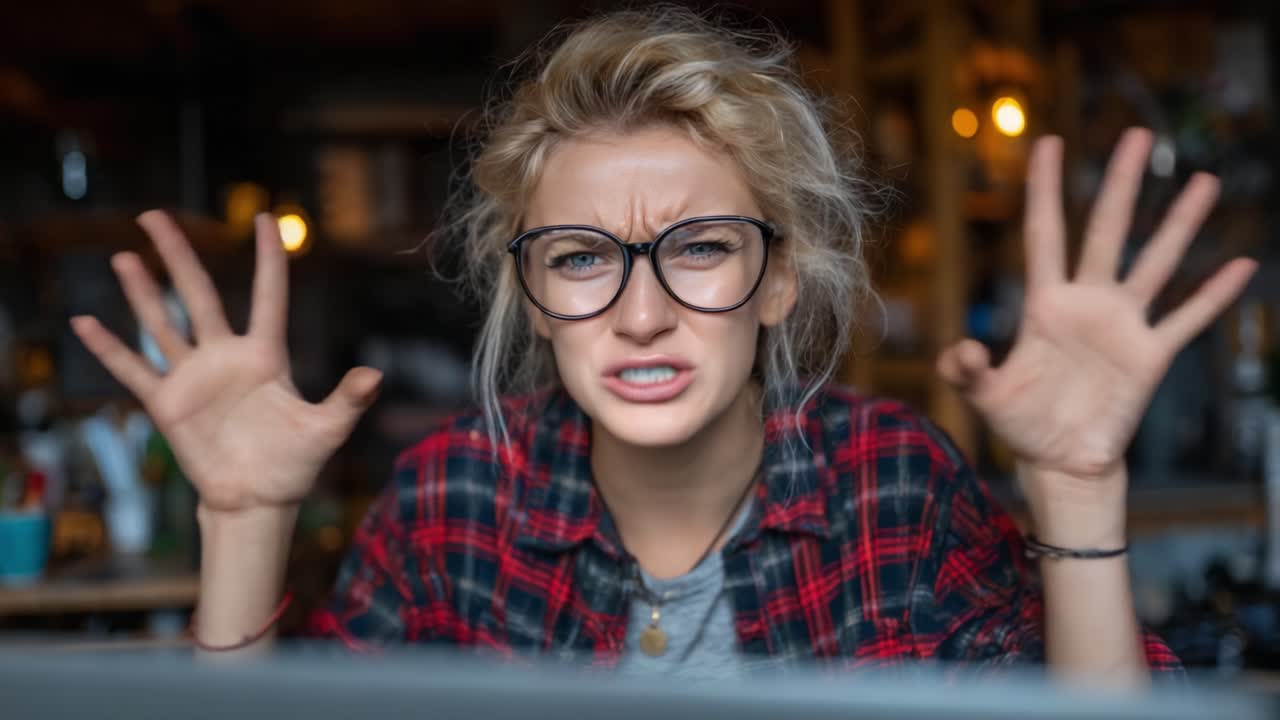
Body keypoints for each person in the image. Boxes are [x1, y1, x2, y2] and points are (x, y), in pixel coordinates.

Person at [71, 8, 1255, 684]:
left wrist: (1081, 492)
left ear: (776, 276)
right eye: (581, 257)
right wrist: (240, 521)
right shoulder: (450, 503)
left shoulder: (891, 483)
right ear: (532, 296)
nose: (639, 314)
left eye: (697, 247)